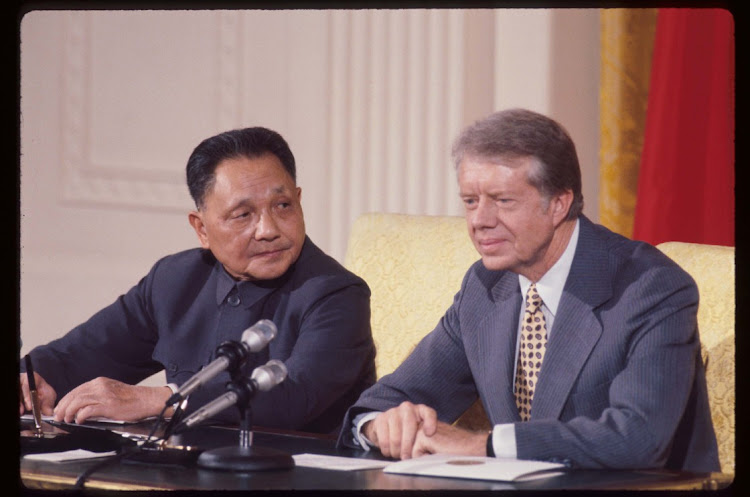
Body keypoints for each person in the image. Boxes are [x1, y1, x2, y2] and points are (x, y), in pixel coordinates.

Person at [337, 108, 719, 471]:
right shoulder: (485, 286)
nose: (480, 221)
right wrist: (381, 425)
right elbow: (388, 398)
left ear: (558, 204)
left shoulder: (650, 288)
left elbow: (639, 438)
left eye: (503, 201)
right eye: (470, 202)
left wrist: (482, 446)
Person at [19, 127, 376, 434]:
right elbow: (76, 357)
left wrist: (160, 399)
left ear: (299, 202)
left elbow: (295, 397)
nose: (268, 230)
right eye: (243, 214)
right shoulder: (175, 281)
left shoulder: (336, 293)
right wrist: (32, 380)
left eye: (282, 206)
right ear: (201, 228)